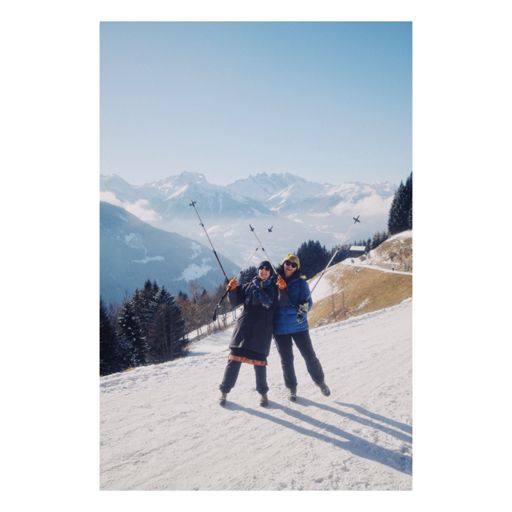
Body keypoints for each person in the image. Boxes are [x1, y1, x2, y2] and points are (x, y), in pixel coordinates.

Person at [218, 261, 277, 407]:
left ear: (270, 272)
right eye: (261, 268)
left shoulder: (274, 288)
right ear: (258, 270)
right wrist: (232, 289)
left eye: (267, 269)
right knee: (233, 361)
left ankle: (263, 394)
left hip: (261, 331)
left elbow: (272, 303)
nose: (263, 271)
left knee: (260, 365)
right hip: (244, 329)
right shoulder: (249, 286)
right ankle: (224, 392)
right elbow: (234, 302)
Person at [273, 253, 330, 402]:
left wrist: (302, 311)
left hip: (299, 327)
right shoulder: (274, 281)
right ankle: (291, 388)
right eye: (287, 263)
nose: (290, 267)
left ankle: (320, 382)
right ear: (283, 263)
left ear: (296, 268)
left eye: (293, 265)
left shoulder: (301, 283)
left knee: (309, 356)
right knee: (286, 361)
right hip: (279, 329)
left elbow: (308, 303)